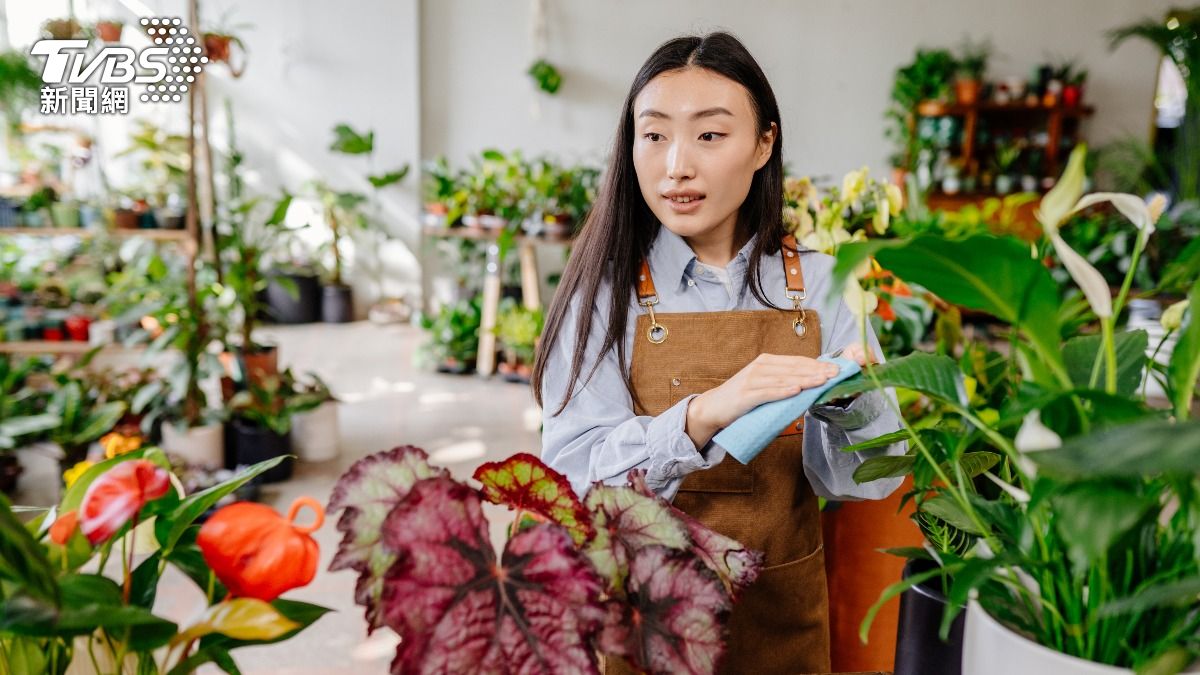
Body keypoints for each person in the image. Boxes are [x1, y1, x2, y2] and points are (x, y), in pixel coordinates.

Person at [532, 31, 906, 674]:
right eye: (654, 135)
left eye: (709, 135)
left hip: (782, 614)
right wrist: (703, 415)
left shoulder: (823, 285)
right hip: (646, 620)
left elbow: (876, 477)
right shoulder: (604, 293)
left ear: (764, 143)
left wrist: (848, 399)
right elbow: (571, 481)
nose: (677, 164)